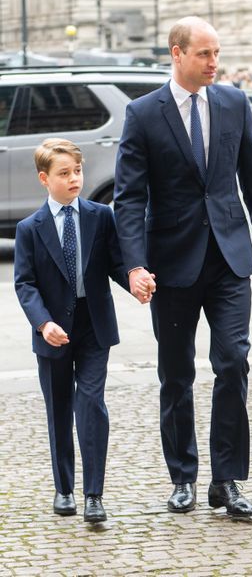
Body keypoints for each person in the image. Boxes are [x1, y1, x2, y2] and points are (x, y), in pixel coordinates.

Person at [114, 16, 252, 518]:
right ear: (176, 54)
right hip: (172, 264)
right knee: (176, 373)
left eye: (217, 54)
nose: (214, 63)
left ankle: (226, 480)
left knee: (232, 362)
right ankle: (183, 477)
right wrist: (135, 265)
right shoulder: (143, 114)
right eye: (204, 54)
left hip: (230, 259)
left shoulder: (234, 102)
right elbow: (129, 199)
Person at [14, 138, 128, 523]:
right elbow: (24, 284)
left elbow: (116, 264)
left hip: (94, 325)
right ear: (45, 179)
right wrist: (43, 323)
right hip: (52, 329)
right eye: (64, 174)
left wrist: (136, 279)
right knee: (59, 408)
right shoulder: (30, 228)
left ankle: (94, 494)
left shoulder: (100, 216)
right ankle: (63, 489)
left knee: (91, 404)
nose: (74, 179)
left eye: (77, 171)